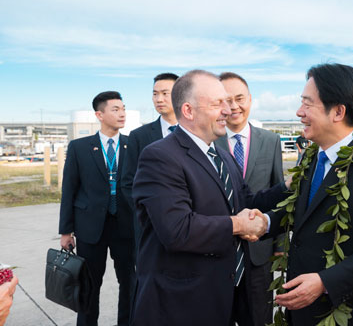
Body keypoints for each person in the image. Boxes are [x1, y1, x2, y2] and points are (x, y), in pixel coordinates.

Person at [130, 70, 288, 326]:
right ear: (189, 111)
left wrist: (288, 187)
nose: (228, 110)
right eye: (218, 104)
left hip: (225, 292)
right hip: (183, 303)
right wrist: (239, 225)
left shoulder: (220, 154)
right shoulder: (160, 157)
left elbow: (246, 201)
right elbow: (177, 229)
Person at [260, 63, 353, 325]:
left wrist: (325, 282)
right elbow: (303, 214)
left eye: (307, 103)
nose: (298, 112)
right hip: (301, 308)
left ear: (338, 111)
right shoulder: (312, 159)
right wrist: (264, 222)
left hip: (345, 312)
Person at [59, 91, 135, 326]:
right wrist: (66, 231)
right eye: (115, 109)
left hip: (126, 225)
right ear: (99, 115)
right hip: (90, 227)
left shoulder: (132, 144)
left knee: (130, 283)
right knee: (90, 285)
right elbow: (69, 189)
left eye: (123, 108)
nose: (122, 113)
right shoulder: (80, 147)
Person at [214, 72, 284, 326]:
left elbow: (278, 191)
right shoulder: (209, 142)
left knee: (258, 317)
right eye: (226, 100)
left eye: (239, 98)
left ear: (251, 99)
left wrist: (280, 244)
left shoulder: (271, 140)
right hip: (218, 249)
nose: (233, 107)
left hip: (259, 249)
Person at [121, 72, 179, 255]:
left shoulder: (196, 132)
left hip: (192, 225)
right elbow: (128, 182)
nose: (158, 99)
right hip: (150, 226)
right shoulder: (139, 136)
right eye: (155, 94)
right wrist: (148, 213)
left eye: (165, 93)